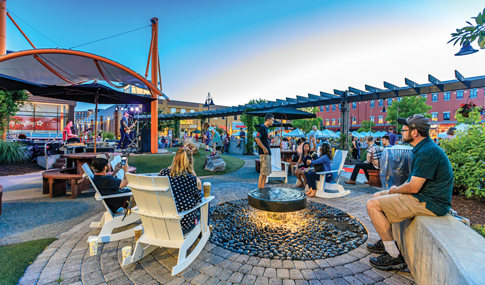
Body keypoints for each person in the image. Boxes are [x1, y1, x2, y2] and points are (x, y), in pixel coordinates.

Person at [365, 114, 453, 271]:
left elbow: (413, 187)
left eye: (404, 129)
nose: (401, 132)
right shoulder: (423, 148)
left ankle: (393, 256)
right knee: (376, 196)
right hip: (423, 196)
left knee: (372, 205)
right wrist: (393, 192)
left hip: (430, 202)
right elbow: (412, 181)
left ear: (415, 132)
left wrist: (394, 190)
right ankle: (386, 240)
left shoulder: (428, 151)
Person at [159, 147, 202, 234]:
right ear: (190, 162)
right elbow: (199, 198)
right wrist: (193, 172)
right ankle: (203, 232)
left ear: (174, 159)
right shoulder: (192, 179)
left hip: (163, 223)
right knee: (205, 202)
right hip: (184, 225)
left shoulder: (163, 173)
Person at [255, 113, 274, 189]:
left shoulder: (266, 128)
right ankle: (260, 189)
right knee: (263, 172)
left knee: (265, 172)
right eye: (272, 120)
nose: (273, 122)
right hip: (264, 153)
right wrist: (264, 148)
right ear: (268, 120)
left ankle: (263, 187)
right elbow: (256, 138)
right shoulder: (262, 127)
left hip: (267, 153)